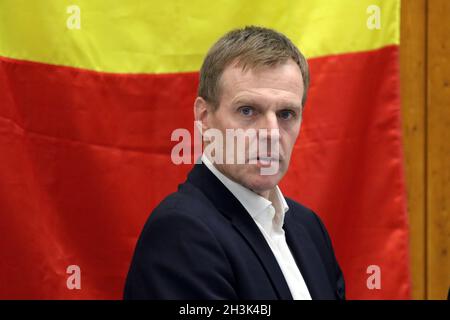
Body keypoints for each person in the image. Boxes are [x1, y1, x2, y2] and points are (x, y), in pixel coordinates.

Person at [124, 26, 345, 300]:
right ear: (204, 118)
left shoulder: (309, 228)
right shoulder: (180, 232)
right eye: (248, 111)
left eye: (286, 113)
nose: (271, 133)